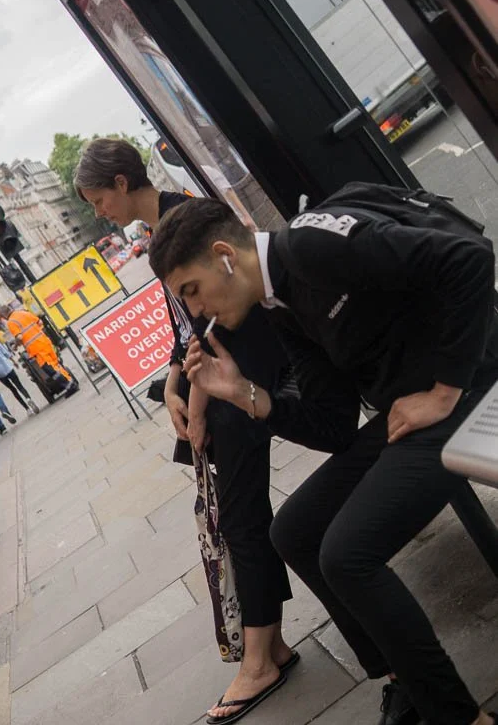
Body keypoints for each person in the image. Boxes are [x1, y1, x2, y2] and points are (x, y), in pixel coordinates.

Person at [148, 196, 498, 725]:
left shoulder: (309, 247)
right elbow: (334, 428)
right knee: (295, 531)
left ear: (224, 256)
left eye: (192, 290)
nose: (195, 312)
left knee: (346, 554)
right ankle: (402, 679)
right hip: (411, 413)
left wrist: (445, 390)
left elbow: (469, 258)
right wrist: (244, 394)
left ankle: (459, 717)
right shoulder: (281, 305)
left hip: (469, 384)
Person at [74, 138, 301, 725]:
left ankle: (260, 660)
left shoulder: (180, 222)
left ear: (121, 182)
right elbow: (186, 328)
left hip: (239, 378)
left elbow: (210, 325)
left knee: (242, 520)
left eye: (98, 199)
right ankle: (270, 645)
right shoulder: (162, 227)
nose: (100, 212)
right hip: (217, 379)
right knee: (242, 515)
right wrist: (174, 384)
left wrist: (196, 405)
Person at [0, 306, 78, 397]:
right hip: (45, 341)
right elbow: (40, 322)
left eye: (1, 317)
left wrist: (15, 346)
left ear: (4, 315)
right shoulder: (23, 312)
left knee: (51, 370)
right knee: (56, 365)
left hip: (36, 349)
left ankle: (70, 386)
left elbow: (19, 337)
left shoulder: (11, 322)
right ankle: (71, 383)